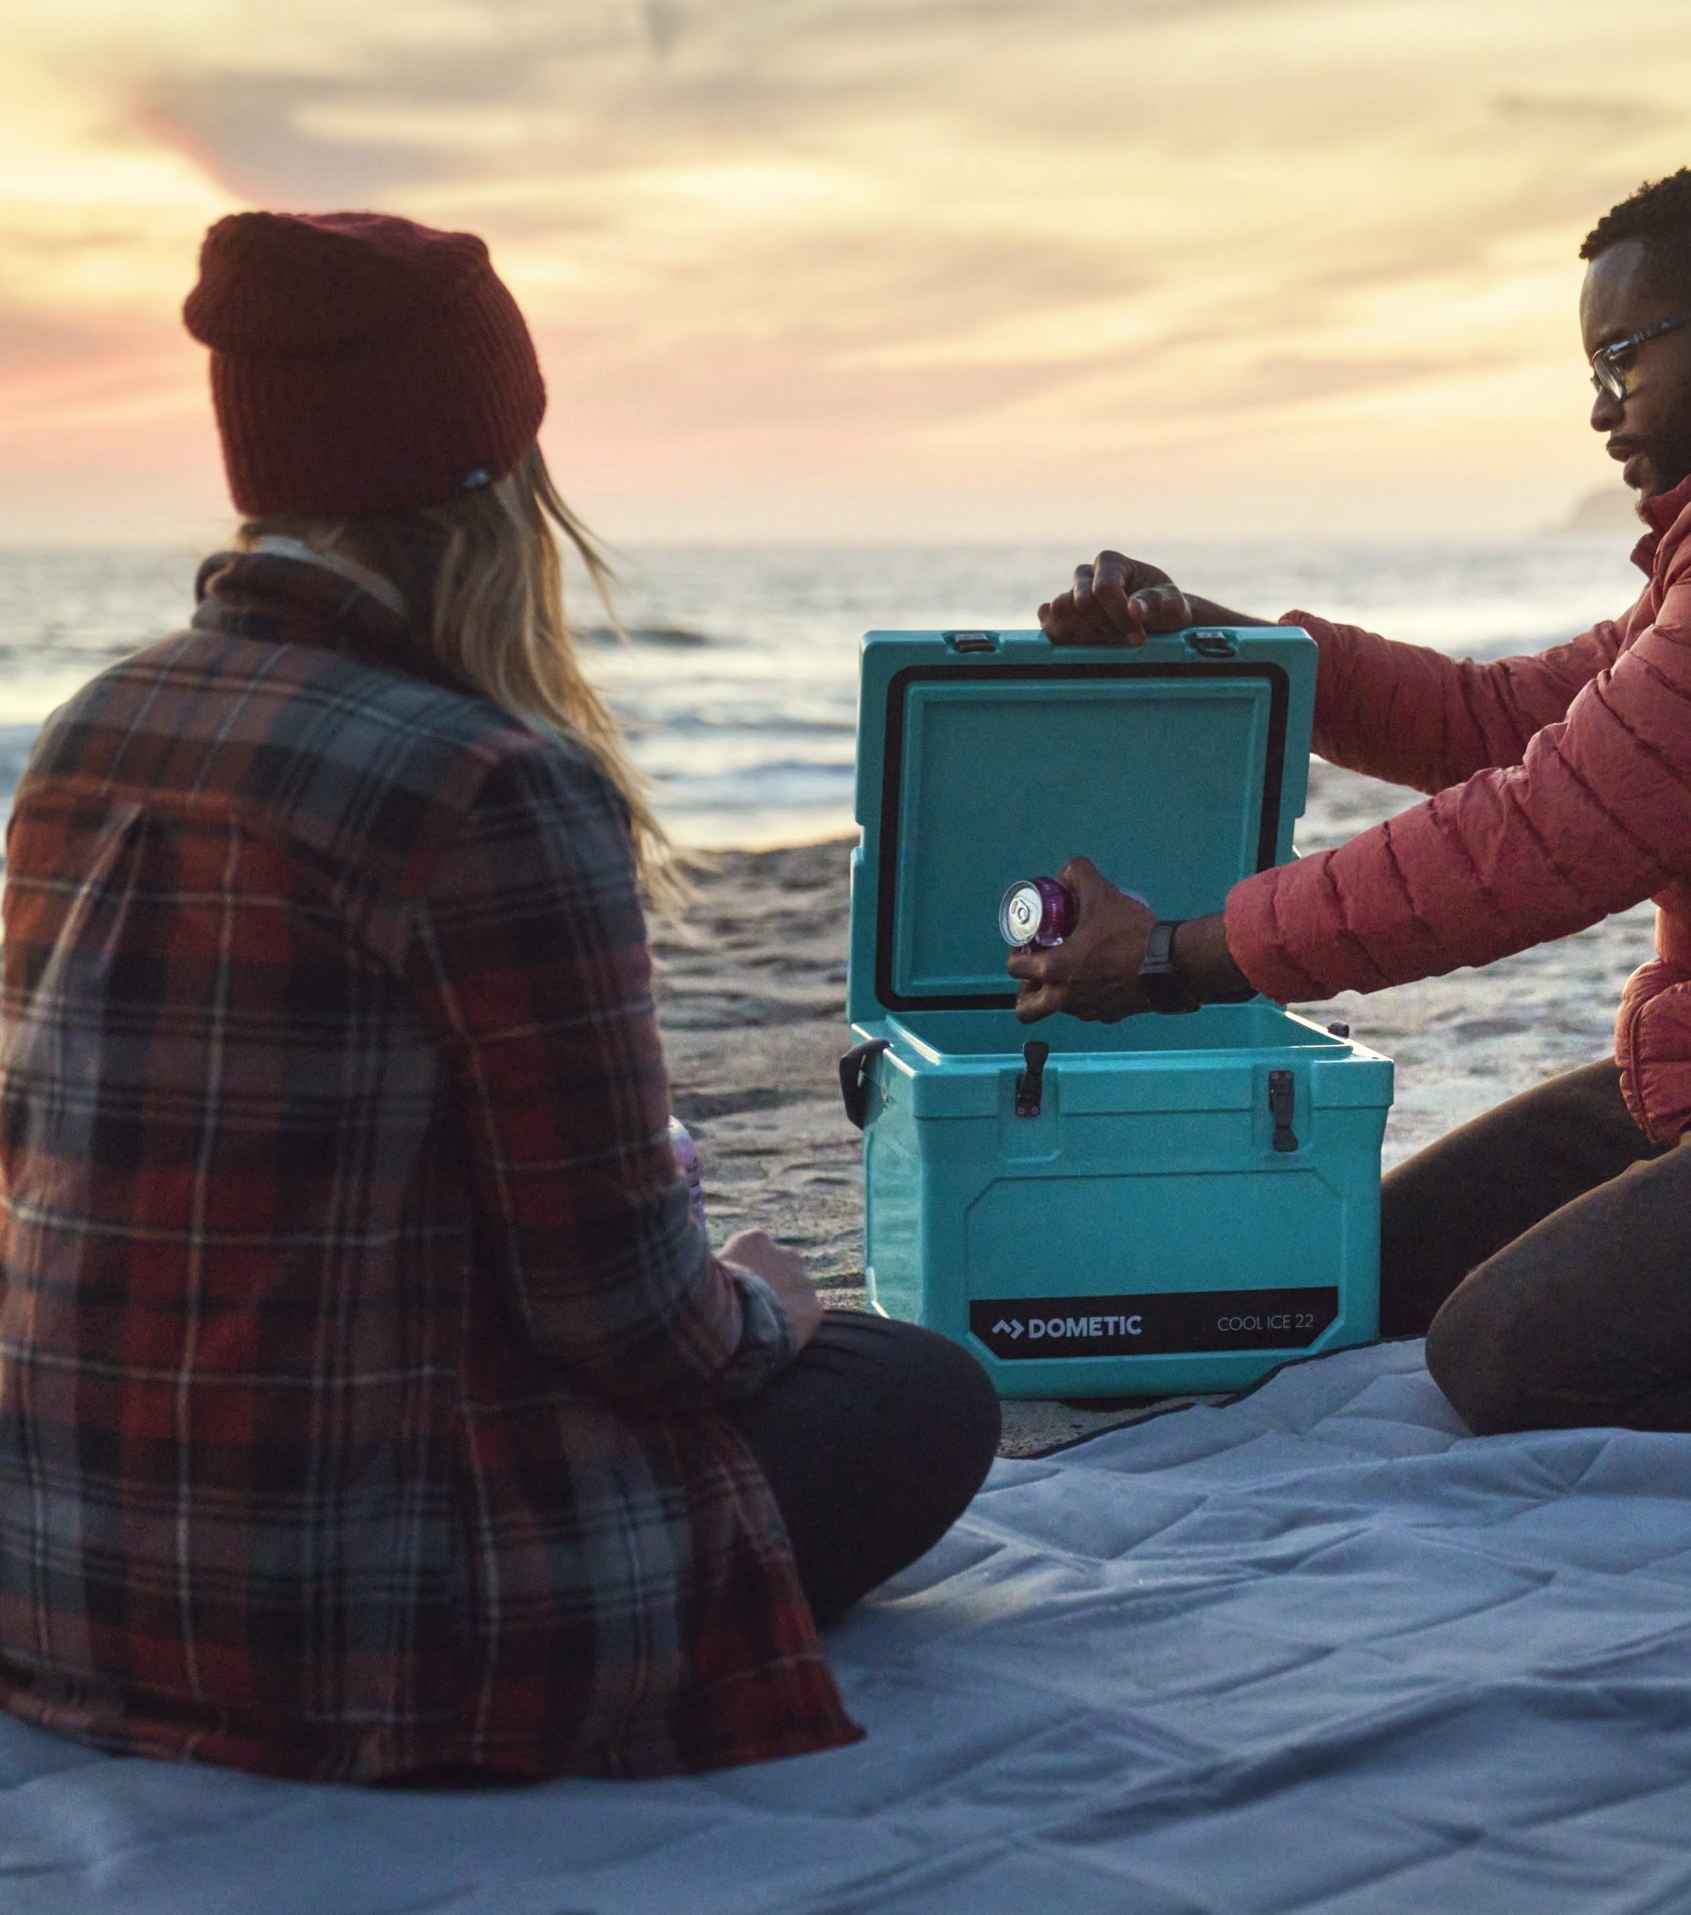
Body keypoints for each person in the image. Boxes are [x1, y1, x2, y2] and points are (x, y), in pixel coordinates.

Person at [0, 210, 998, 1784]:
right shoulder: (491, 787)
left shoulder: (85, 730)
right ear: (496, 470)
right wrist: (764, 1305)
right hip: (378, 1630)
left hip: (66, 1580)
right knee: (919, 1390)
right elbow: (631, 1325)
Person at [1016, 160, 1691, 1439]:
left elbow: (1541, 835)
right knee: (1349, 1274)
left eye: (1621, 362)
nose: (1604, 413)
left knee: (1507, 1355)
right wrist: (1235, 648)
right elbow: (1504, 724)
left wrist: (1179, 957)